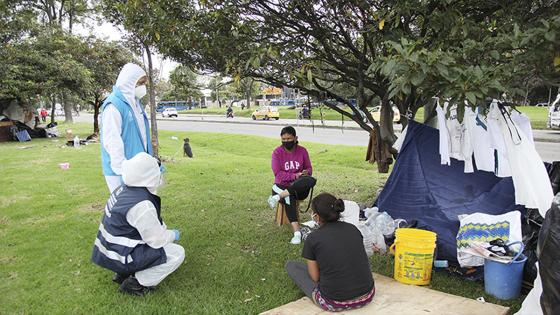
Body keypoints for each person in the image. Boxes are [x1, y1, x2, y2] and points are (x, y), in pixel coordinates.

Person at [91, 152, 185, 296]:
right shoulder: (142, 204)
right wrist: (172, 234)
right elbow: (157, 241)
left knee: (155, 243)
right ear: (149, 176)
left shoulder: (123, 189)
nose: (161, 173)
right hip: (120, 255)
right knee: (177, 253)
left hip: (109, 250)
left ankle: (122, 273)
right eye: (157, 170)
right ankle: (135, 283)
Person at [286, 193, 375, 312]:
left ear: (316, 216)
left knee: (292, 266)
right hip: (367, 295)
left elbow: (315, 277)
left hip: (334, 302)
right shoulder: (353, 229)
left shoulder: (313, 238)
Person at [101, 63, 152, 193]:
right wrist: (124, 171)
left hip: (138, 168)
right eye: (140, 83)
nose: (143, 87)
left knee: (142, 208)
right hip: (122, 171)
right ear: (130, 82)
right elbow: (112, 141)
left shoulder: (136, 104)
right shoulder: (114, 105)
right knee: (127, 209)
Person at [268, 126, 316, 244]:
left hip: (299, 187)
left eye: (289, 139)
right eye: (283, 139)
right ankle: (297, 233)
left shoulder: (302, 151)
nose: (286, 141)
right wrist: (295, 176)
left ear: (295, 138)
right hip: (280, 186)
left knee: (312, 180)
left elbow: (309, 168)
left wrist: (306, 173)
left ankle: (277, 197)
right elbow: (278, 174)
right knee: (289, 196)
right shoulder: (277, 153)